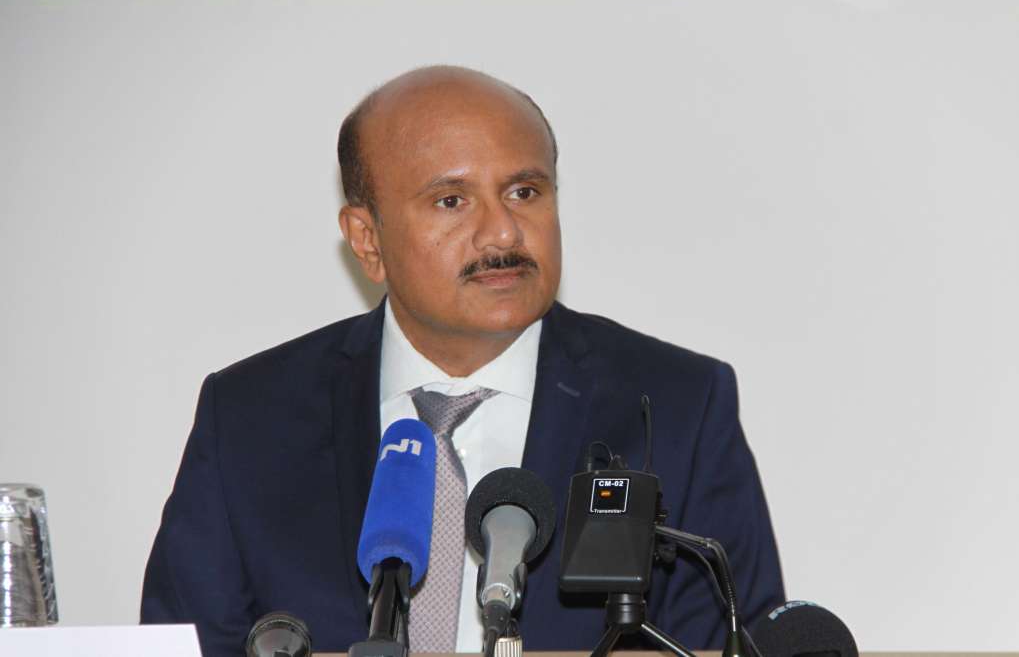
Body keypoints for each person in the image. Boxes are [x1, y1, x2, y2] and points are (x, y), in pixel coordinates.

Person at [141, 66, 784, 656]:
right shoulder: (248, 419)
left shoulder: (677, 408)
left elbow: (734, 643)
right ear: (367, 239)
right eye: (452, 201)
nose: (503, 232)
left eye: (525, 191)